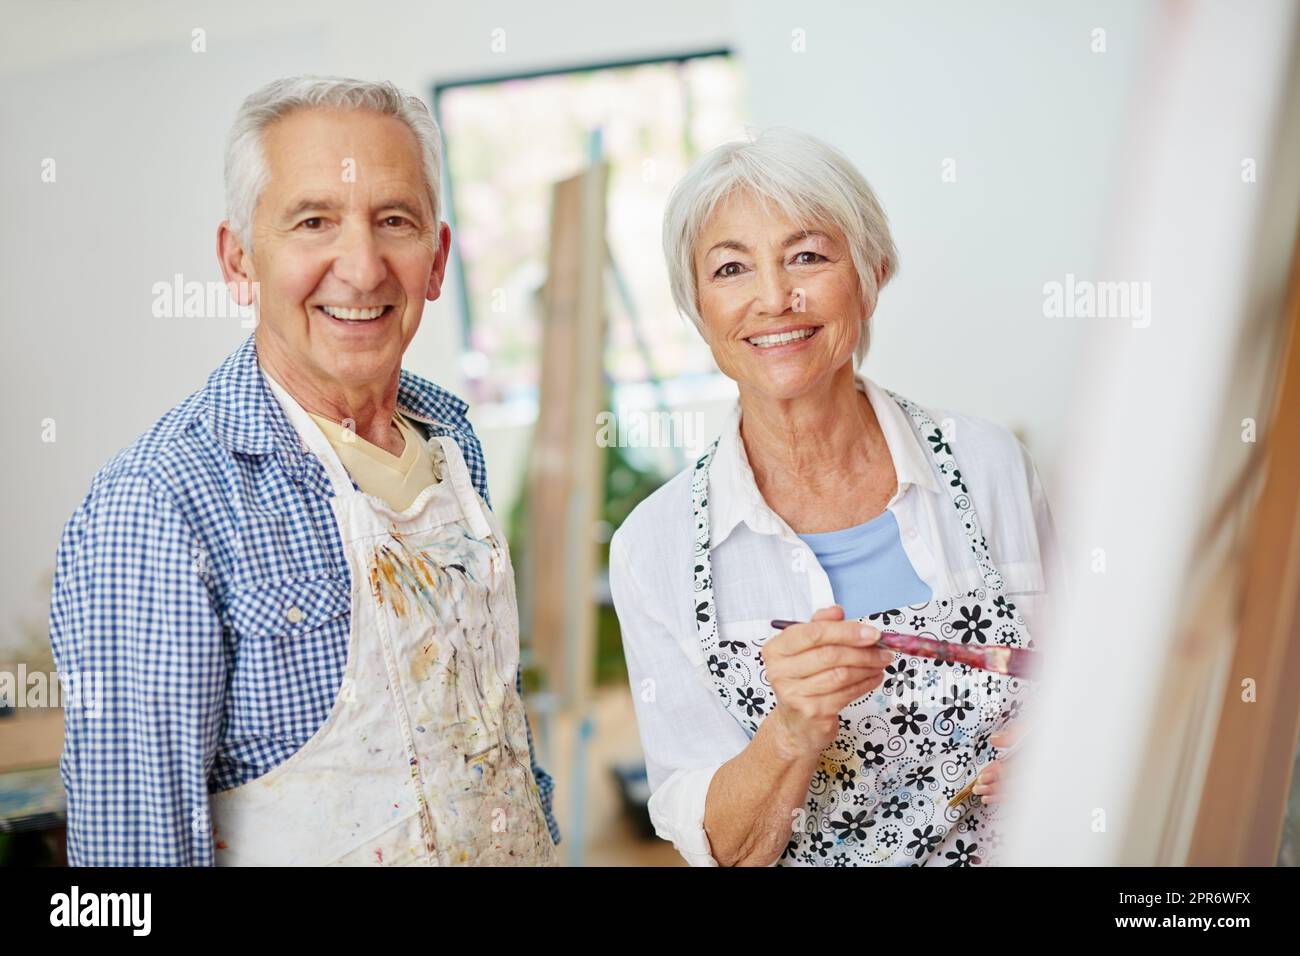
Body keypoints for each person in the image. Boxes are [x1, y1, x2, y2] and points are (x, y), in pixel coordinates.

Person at [48, 76, 558, 866]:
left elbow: (495, 740)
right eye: (313, 221)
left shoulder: (452, 440)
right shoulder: (159, 503)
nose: (360, 267)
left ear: (436, 258)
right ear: (239, 259)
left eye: (394, 221)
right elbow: (133, 863)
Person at [609, 128, 1061, 867]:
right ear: (697, 308)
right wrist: (791, 730)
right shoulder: (653, 548)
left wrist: (1057, 756)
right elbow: (728, 851)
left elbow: (1086, 684)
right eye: (730, 268)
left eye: (807, 257)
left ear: (873, 272)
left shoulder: (989, 467)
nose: (772, 298)